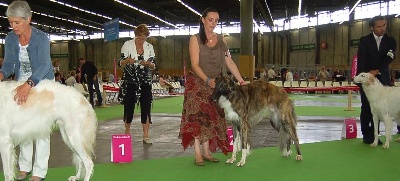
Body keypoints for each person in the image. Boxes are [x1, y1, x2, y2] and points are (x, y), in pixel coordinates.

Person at [178, 7, 246, 166]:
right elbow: (194, 64)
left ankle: (207, 152)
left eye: (216, 20)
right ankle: (197, 154)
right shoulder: (195, 39)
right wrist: (207, 80)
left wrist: (241, 81)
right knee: (196, 118)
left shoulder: (221, 40)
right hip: (197, 82)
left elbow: (229, 62)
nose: (213, 23)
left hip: (216, 85)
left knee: (211, 118)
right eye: (210, 19)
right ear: (203, 19)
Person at [0, 1, 55, 180]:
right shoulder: (9, 38)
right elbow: (8, 64)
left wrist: (29, 84)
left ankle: (39, 171)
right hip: (21, 83)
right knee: (23, 127)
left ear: (28, 19)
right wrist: (1, 74)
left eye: (17, 22)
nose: (13, 26)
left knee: (40, 129)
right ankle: (24, 166)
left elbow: (45, 64)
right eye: (10, 22)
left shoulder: (41, 38)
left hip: (42, 84)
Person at [357, 16, 396, 145]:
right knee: (367, 107)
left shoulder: (391, 41)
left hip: (382, 78)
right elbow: (361, 60)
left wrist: (377, 71)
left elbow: (389, 57)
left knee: (387, 108)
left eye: (384, 25)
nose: (382, 28)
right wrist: (365, 77)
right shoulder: (364, 41)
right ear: (372, 27)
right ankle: (368, 136)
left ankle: (386, 135)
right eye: (379, 26)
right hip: (367, 79)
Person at [118, 24, 156, 144]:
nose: (141, 40)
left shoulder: (150, 47)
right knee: (129, 106)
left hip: (145, 79)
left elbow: (154, 64)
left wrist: (149, 64)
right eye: (139, 38)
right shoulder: (127, 45)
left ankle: (146, 135)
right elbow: (120, 62)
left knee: (146, 106)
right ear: (135, 35)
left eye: (144, 38)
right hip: (130, 79)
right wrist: (127, 61)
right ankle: (127, 132)